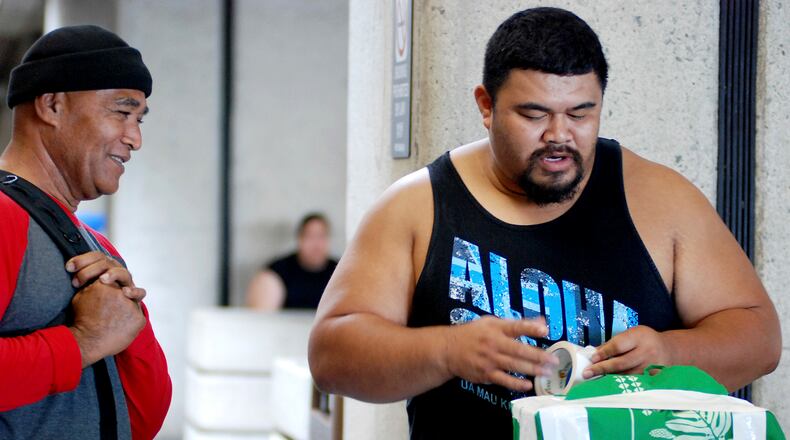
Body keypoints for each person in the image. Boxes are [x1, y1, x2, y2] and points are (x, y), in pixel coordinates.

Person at [308, 7, 781, 439]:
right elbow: (330, 356)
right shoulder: (418, 205)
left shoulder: (659, 198)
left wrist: (672, 353)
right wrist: (446, 351)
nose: (559, 136)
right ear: (486, 106)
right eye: (534, 114)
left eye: (580, 113)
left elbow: (759, 338)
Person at [0, 25, 171, 439]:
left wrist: (129, 321)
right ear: (53, 106)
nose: (135, 138)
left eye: (139, 119)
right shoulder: (4, 217)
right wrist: (81, 341)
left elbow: (142, 418)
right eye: (121, 112)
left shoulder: (99, 247)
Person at [246, 213, 338, 310]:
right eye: (310, 236)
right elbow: (262, 318)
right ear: (300, 239)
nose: (316, 244)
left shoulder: (339, 272)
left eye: (321, 236)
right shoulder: (277, 272)